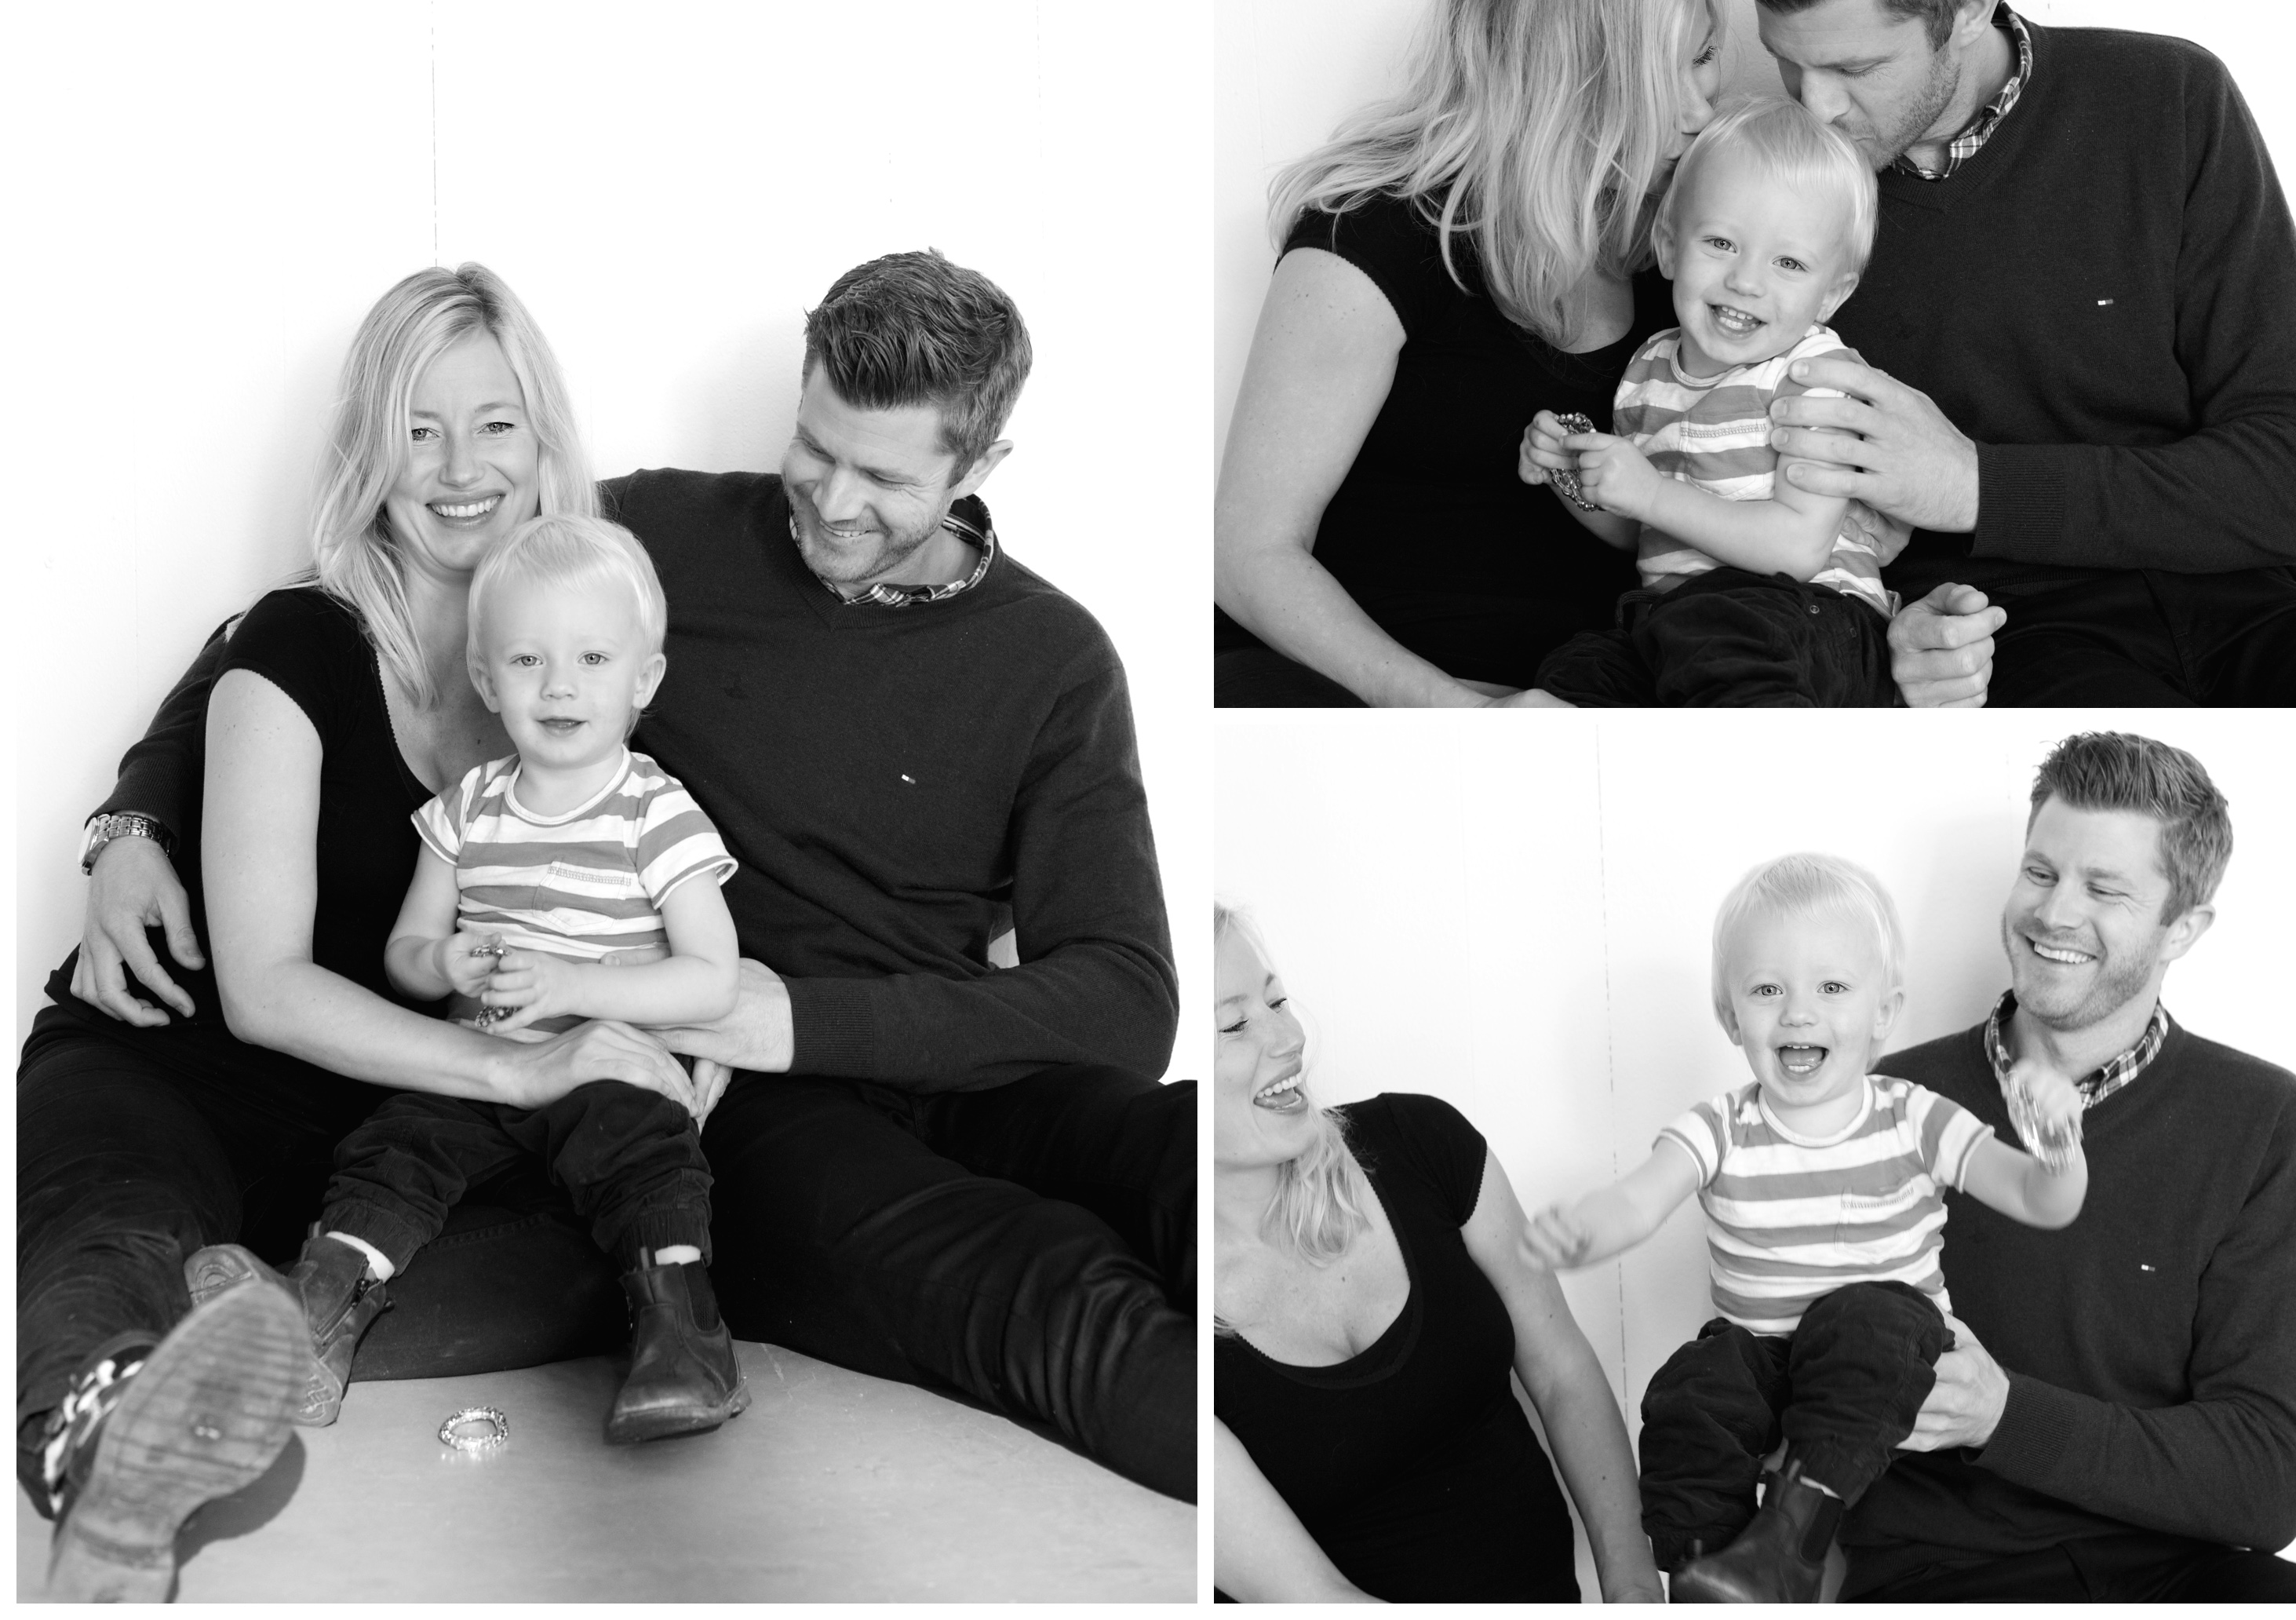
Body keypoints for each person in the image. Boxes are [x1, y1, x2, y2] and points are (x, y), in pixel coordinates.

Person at [71, 250, 1196, 1508]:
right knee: (1049, 1292)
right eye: (813, 449)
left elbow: (1127, 1001)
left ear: (981, 466)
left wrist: (789, 1015)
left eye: (886, 480)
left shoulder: (1054, 657)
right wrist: (134, 817)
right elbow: (313, 619)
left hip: (947, 1058)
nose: (831, 504)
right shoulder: (651, 542)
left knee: (1186, 1165)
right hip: (755, 1111)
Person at [18, 265, 705, 1600]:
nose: (458, 469)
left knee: (604, 1250)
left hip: (382, 1130)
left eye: (496, 424)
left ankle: (248, 1325)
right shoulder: (294, 643)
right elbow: (267, 989)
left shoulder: (581, 658)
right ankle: (111, 1465)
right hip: (178, 1061)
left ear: (546, 442)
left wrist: (683, 1024)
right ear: (369, 453)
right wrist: (521, 1065)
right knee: (115, 1229)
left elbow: (648, 888)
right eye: (416, 429)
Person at [1214, 0, 2001, 709]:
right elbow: (1248, 556)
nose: (1702, 107)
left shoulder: (1699, 265)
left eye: (1708, 55)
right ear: (1568, 79)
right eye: (1668, 69)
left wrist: (1890, 641)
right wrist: (1457, 714)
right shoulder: (1371, 239)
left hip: (1635, 699)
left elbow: (1796, 529)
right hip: (1384, 711)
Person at [1716, 0, 2296, 706]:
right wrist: (1887, 636)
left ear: (1970, 8)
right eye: (1786, 59)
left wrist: (1978, 486)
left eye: (1855, 67)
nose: (1815, 106)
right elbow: (1715, 483)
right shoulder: (1758, 199)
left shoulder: (2169, 100)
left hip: (2258, 620)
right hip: (2017, 649)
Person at [186, 513, 751, 1444]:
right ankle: (318, 1305)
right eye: (527, 661)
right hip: (478, 1065)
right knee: (395, 1145)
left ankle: (684, 1338)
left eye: (593, 659)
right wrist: (440, 960)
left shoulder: (656, 813)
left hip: (601, 1067)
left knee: (643, 1149)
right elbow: (407, 955)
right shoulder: (467, 810)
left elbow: (711, 981)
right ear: (486, 680)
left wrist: (573, 987)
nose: (559, 685)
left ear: (645, 679)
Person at [1850, 732, 2296, 1600]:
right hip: (1944, 1574)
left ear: (2184, 929)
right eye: (2040, 872)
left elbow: (2267, 1480)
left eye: (2104, 890)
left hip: (2180, 1574)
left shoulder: (2268, 1125)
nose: (2054, 914)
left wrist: (2003, 1414)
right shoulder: (1888, 1102)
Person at [1522, 855, 2086, 1600]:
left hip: (1881, 1352)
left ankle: (1790, 1546)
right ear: (1730, 1015)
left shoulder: (1913, 1116)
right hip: (1765, 1356)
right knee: (1694, 1388)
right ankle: (1710, 1571)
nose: (1797, 1013)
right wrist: (1583, 1230)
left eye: (1832, 988)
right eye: (1767, 990)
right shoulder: (1721, 1127)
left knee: (1869, 1317)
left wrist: (2058, 1145)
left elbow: (2043, 1200)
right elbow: (1638, 1202)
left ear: (1883, 1012)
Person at [1214, 906, 1662, 1603]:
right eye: (1235, 1024)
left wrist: (1633, 1587)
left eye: (1277, 1002)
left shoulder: (1422, 1143)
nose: (1289, 1036)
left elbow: (1561, 1371)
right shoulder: (1164, 1319)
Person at [1518, 97, 1901, 705]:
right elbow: (1646, 529)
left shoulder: (1815, 376)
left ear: (1832, 295)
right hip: (1678, 624)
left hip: (1810, 619)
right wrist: (1578, 478)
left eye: (1788, 262)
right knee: (1579, 671)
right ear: (1670, 247)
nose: (1746, 281)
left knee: (1720, 637)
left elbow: (1798, 548)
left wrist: (1650, 492)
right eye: (1721, 243)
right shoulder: (1648, 370)